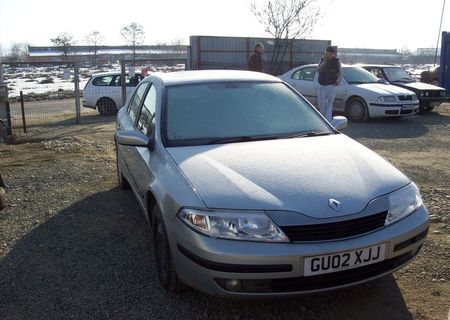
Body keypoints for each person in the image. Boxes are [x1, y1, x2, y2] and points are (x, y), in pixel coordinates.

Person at [317, 46, 341, 122]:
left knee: (330, 104)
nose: (328, 56)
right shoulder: (322, 60)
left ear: (333, 54)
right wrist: (324, 62)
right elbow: (318, 70)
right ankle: (322, 119)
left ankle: (328, 121)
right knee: (321, 104)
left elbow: (340, 73)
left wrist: (338, 81)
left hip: (331, 86)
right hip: (322, 85)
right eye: (326, 54)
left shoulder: (336, 61)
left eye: (330, 54)